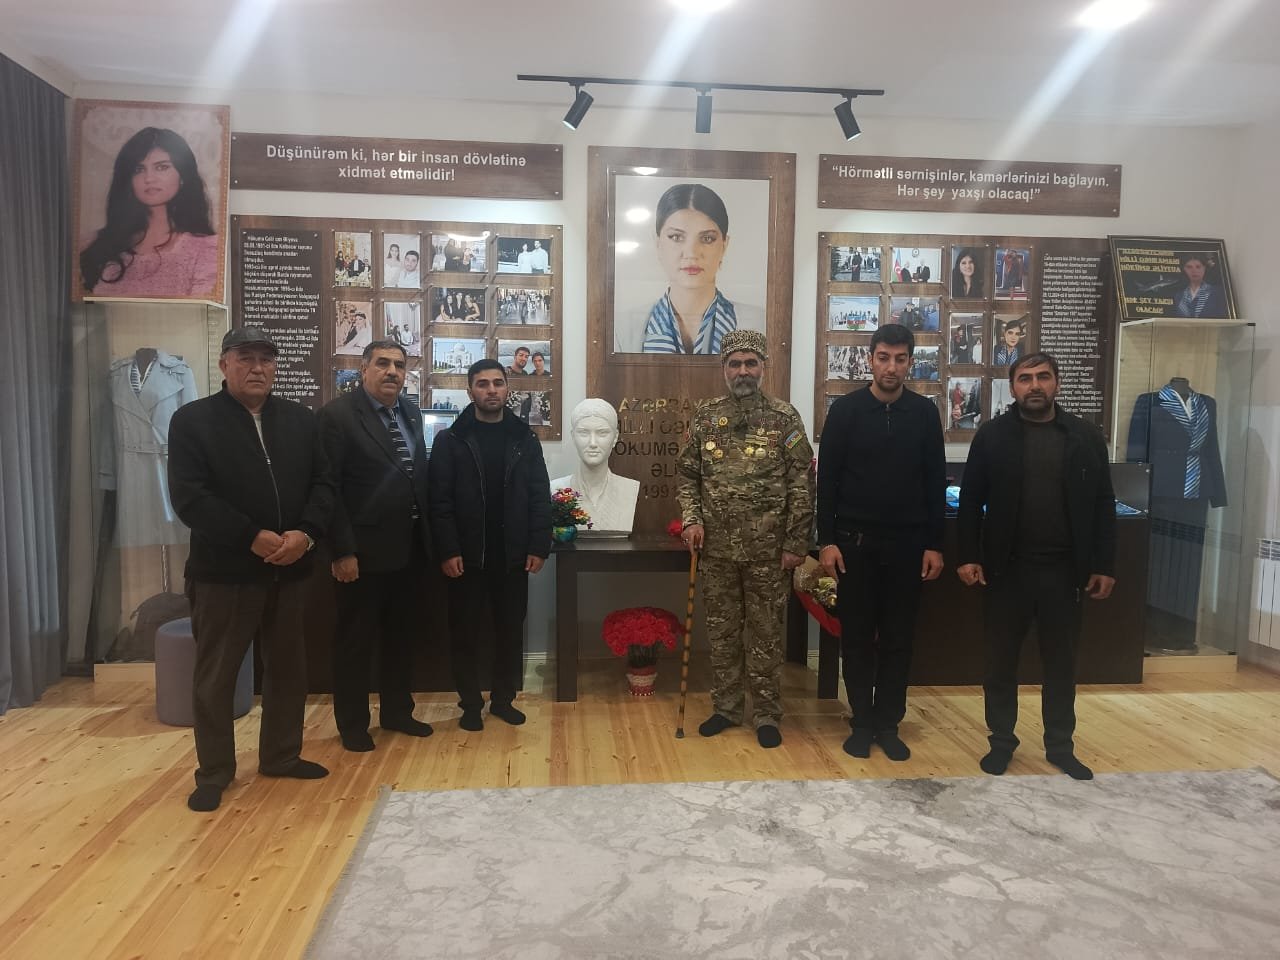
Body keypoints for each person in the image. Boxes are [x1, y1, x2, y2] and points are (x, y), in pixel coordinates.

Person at [167, 326, 334, 812]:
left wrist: (306, 534)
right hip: (224, 574)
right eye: (246, 358)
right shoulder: (193, 421)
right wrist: (250, 536)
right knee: (215, 678)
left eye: (266, 359)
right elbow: (190, 497)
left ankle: (281, 756)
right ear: (224, 365)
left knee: (288, 671)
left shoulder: (301, 420)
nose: (257, 367)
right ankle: (214, 772)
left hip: (291, 570)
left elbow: (325, 484)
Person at [956, 353, 1116, 781]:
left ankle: (1060, 746)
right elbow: (970, 500)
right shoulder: (993, 436)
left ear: (1056, 383)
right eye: (1025, 379)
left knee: (1061, 664)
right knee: (1000, 663)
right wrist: (968, 555)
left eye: (1043, 377)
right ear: (1013, 388)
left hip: (1065, 572)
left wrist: (1104, 564)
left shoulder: (1084, 436)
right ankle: (1001, 742)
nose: (1034, 386)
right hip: (1007, 570)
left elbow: (1103, 503)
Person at [676, 329, 813, 749]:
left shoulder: (784, 418)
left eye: (750, 363)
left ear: (763, 367)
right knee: (722, 634)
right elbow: (688, 476)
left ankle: (767, 713)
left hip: (768, 553)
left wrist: (795, 543)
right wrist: (691, 520)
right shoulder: (706, 416)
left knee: (766, 634)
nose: (743, 371)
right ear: (723, 368)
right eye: (734, 363)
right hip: (716, 550)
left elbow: (802, 483)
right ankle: (727, 708)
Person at [817, 324, 946, 761]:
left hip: (908, 547)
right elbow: (827, 482)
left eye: (900, 359)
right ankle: (861, 721)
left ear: (910, 363)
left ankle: (889, 724)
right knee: (856, 638)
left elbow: (935, 483)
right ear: (870, 360)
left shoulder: (924, 414)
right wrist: (826, 541)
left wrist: (934, 544)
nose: (892, 367)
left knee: (898, 639)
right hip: (854, 546)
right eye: (884, 357)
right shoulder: (846, 411)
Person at [317, 340, 433, 753]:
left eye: (399, 365)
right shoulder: (337, 416)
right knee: (355, 642)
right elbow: (328, 489)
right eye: (382, 363)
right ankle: (352, 724)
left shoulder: (410, 412)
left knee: (401, 637)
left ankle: (397, 712)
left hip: (409, 548)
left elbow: (414, 475)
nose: (392, 372)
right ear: (363, 369)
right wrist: (341, 551)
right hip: (361, 554)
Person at [428, 359, 551, 730]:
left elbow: (539, 496)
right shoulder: (451, 440)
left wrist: (539, 545)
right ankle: (469, 704)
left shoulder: (525, 439)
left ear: (507, 389)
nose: (491, 390)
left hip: (512, 556)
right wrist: (448, 550)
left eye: (498, 383)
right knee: (465, 634)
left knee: (509, 632)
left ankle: (502, 700)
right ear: (470, 391)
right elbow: (439, 501)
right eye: (482, 384)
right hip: (466, 557)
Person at [80, 126, 219, 297]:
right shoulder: (95, 244)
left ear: (183, 175)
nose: (149, 178)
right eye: (139, 170)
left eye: (161, 167)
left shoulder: (206, 250)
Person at [633, 183, 763, 355]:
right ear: (658, 244)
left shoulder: (761, 323)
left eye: (707, 238)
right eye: (676, 237)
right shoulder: (621, 329)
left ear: (724, 246)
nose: (692, 253)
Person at [551, 399, 641, 533]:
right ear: (573, 437)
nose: (592, 443)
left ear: (615, 437)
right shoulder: (556, 488)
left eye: (602, 433)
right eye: (584, 433)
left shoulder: (628, 489)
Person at [1165, 253, 1228, 318]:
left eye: (1198, 267)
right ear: (1184, 269)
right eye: (1189, 267)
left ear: (1204, 268)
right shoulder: (1178, 296)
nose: (1194, 271)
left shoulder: (1219, 292)